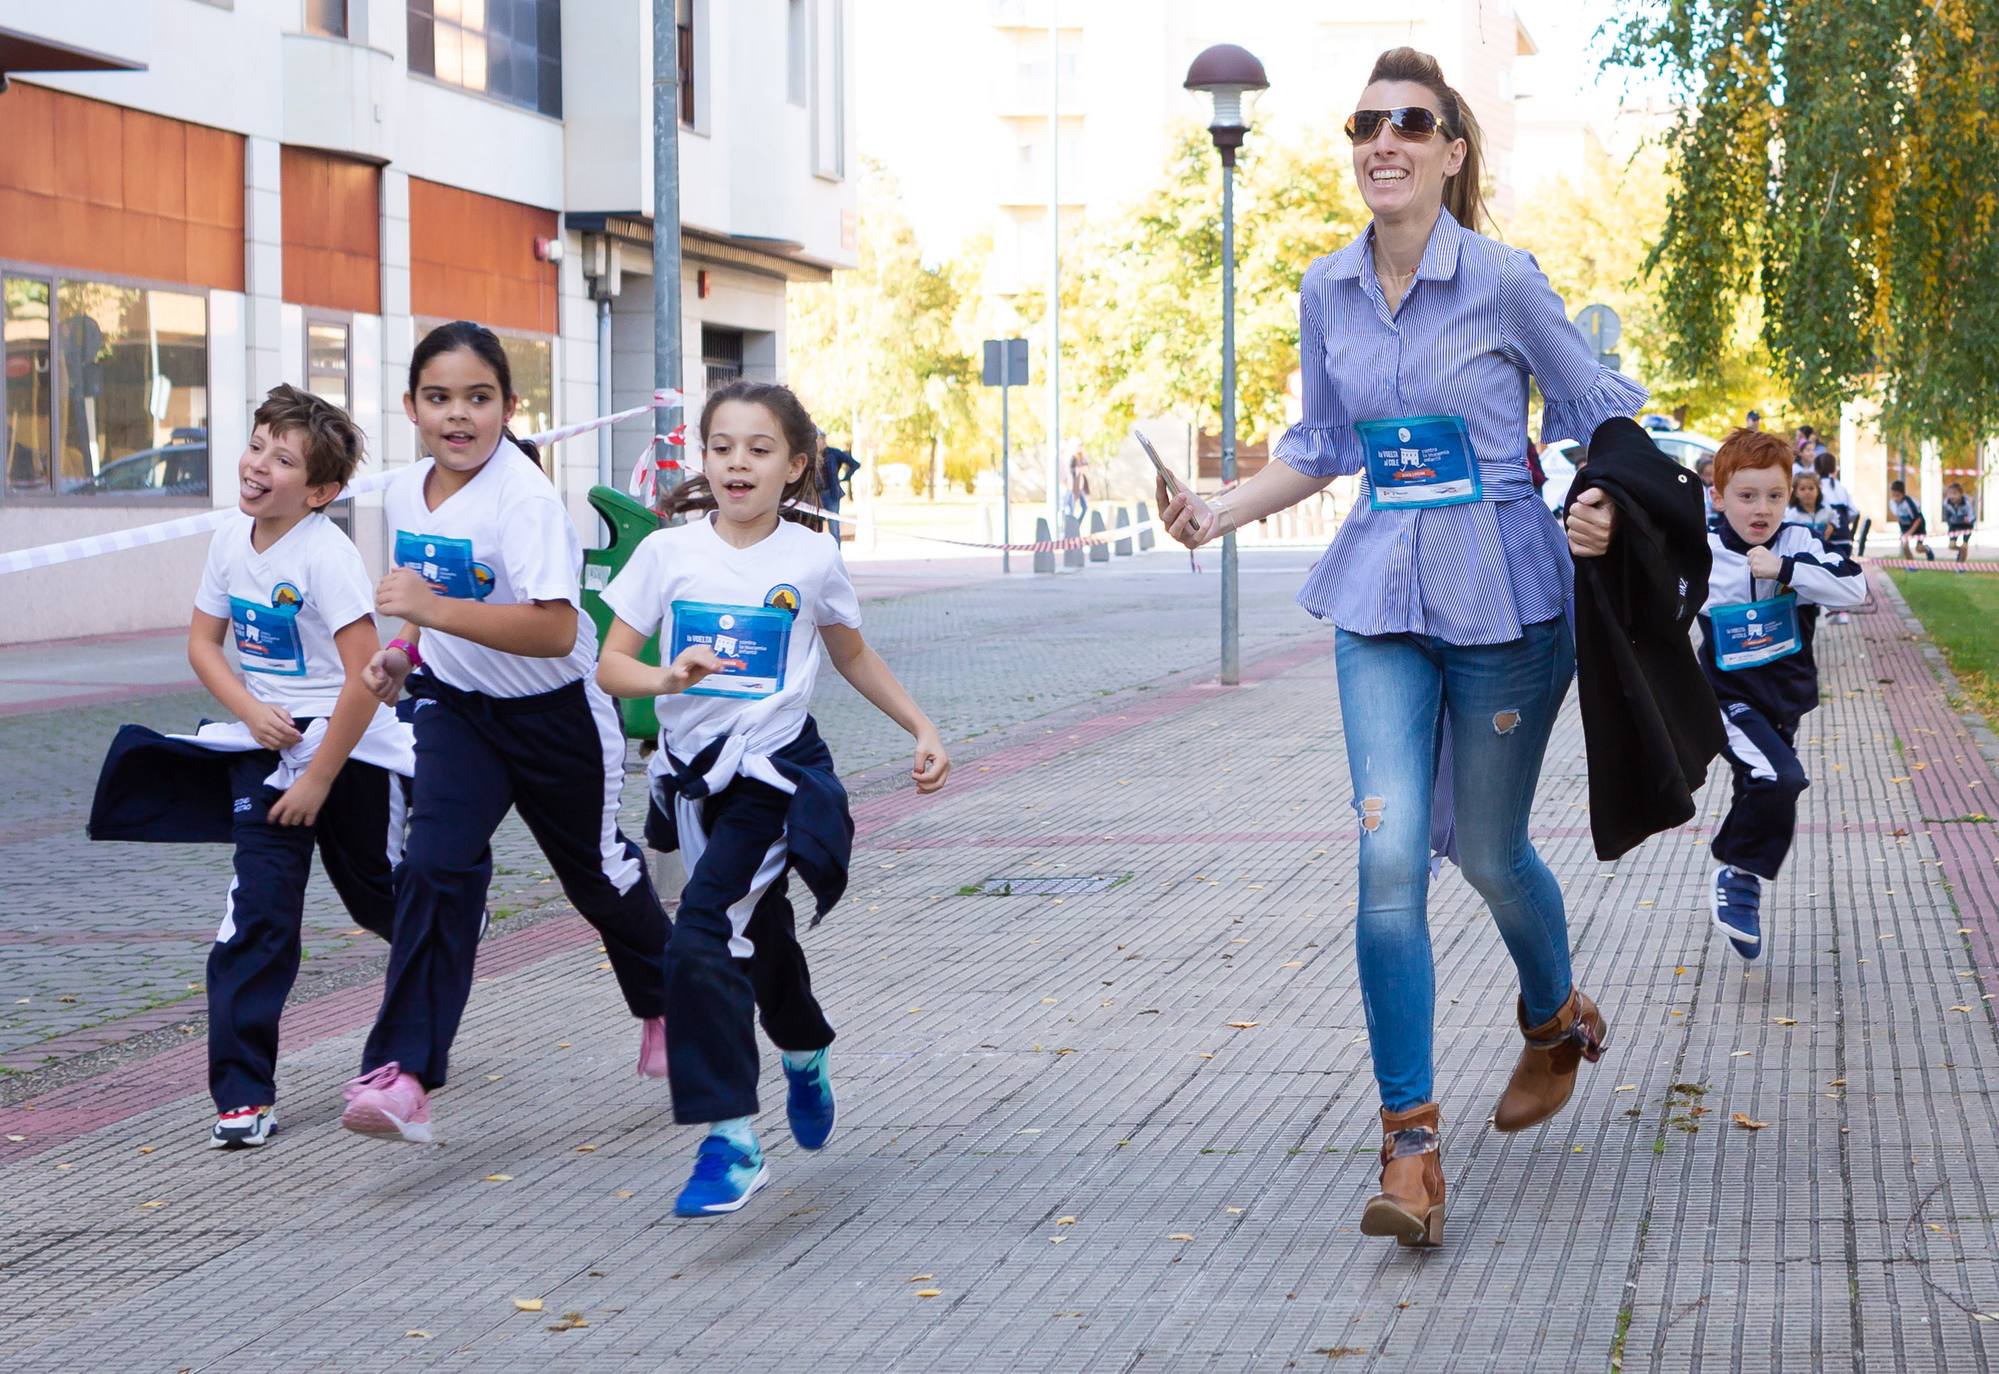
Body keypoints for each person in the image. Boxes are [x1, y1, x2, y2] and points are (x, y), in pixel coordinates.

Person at [1158, 45, 1639, 1249]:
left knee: (1486, 854)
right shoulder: (1326, 288)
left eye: (1410, 123)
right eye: (1366, 122)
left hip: (1508, 603)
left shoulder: (1504, 281)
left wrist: (1605, 503)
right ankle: (1409, 1147)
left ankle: (1552, 1018)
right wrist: (1213, 508)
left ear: (1451, 150)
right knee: (1385, 864)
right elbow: (1321, 441)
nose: (1384, 140)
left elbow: (1600, 408)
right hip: (1377, 603)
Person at [597, 379, 950, 1217]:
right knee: (765, 937)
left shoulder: (810, 558)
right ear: (702, 458)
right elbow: (611, 666)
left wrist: (921, 726)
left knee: (700, 937)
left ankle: (728, 1137)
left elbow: (853, 655)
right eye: (721, 447)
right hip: (691, 777)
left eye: (758, 450)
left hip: (771, 777)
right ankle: (803, 1050)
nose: (737, 464)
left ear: (794, 466)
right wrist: (666, 676)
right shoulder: (665, 554)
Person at [339, 321, 670, 1144]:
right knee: (432, 866)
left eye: (478, 399)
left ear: (508, 407)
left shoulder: (523, 497)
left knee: (596, 877)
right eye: (439, 399)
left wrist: (427, 613)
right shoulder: (406, 489)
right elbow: (432, 603)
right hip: (457, 709)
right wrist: (402, 654)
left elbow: (557, 630)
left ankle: (678, 1003)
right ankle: (402, 1074)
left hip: (557, 714)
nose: (459, 416)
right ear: (410, 406)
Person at [86, 386, 410, 1150]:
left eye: (284, 458)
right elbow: (203, 644)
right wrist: (251, 711)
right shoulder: (232, 539)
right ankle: (241, 1093)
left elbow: (366, 680)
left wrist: (320, 776)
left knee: (378, 899)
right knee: (258, 916)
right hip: (264, 754)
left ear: (322, 491)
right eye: (259, 443)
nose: (259, 464)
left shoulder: (327, 558)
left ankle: (444, 934)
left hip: (349, 750)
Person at [1698, 430, 1866, 961]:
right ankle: (1737, 877)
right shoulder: (1700, 552)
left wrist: (1787, 570)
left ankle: (1740, 879)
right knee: (1780, 775)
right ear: (1718, 496)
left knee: (1769, 786)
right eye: (1746, 496)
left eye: (1774, 495)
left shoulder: (1798, 542)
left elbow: (1855, 589)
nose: (1762, 509)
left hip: (1782, 701)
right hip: (1725, 698)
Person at [816, 430, 859, 541]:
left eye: (817, 439)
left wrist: (845, 477)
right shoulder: (812, 455)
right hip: (816, 496)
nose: (815, 442)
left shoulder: (834, 453)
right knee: (816, 529)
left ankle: (836, 555)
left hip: (831, 495)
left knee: (834, 528)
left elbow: (854, 464)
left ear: (823, 440)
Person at [1890, 480, 1935, 560]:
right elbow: (1899, 517)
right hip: (1906, 527)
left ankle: (1928, 550)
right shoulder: (1892, 503)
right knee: (1905, 545)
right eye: (1893, 495)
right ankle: (1911, 565)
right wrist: (1904, 531)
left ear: (1903, 494)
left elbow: (1918, 520)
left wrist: (1909, 533)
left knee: (1919, 548)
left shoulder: (1910, 503)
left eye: (1898, 495)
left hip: (1918, 527)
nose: (1895, 498)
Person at [1790, 470, 1835, 540]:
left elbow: (1836, 519)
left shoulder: (1826, 511)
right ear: (1795, 493)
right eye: (1802, 489)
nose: (1807, 492)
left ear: (1818, 491)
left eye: (1811, 488)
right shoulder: (1793, 515)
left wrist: (1832, 526)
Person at [1943, 482, 1975, 563]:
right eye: (1950, 493)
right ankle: (1962, 551)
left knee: (1964, 546)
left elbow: (1972, 516)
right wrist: (1949, 524)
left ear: (1961, 494)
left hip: (1966, 525)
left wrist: (1969, 520)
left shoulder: (1966, 503)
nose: (1952, 496)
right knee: (1951, 546)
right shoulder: (1946, 503)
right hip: (1954, 525)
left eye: (1955, 493)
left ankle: (1960, 566)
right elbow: (1947, 516)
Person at [1694, 454, 1716, 520]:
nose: (1712, 479)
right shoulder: (1696, 489)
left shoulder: (1717, 488)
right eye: (1708, 475)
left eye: (1714, 475)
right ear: (1700, 475)